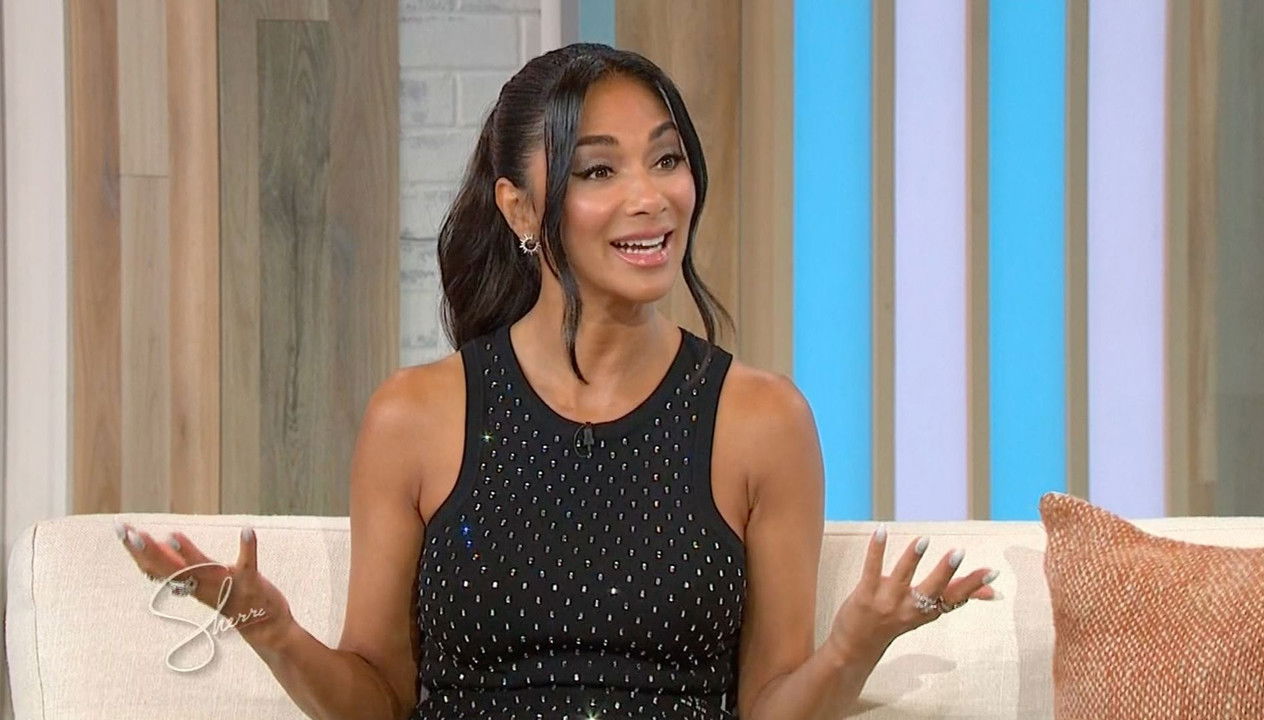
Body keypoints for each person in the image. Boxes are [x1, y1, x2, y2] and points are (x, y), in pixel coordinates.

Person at [117, 43, 997, 720]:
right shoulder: (415, 417)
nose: (651, 198)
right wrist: (267, 625)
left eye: (666, 159)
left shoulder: (762, 421)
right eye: (599, 171)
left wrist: (854, 644)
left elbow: (767, 706)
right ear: (520, 209)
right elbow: (378, 699)